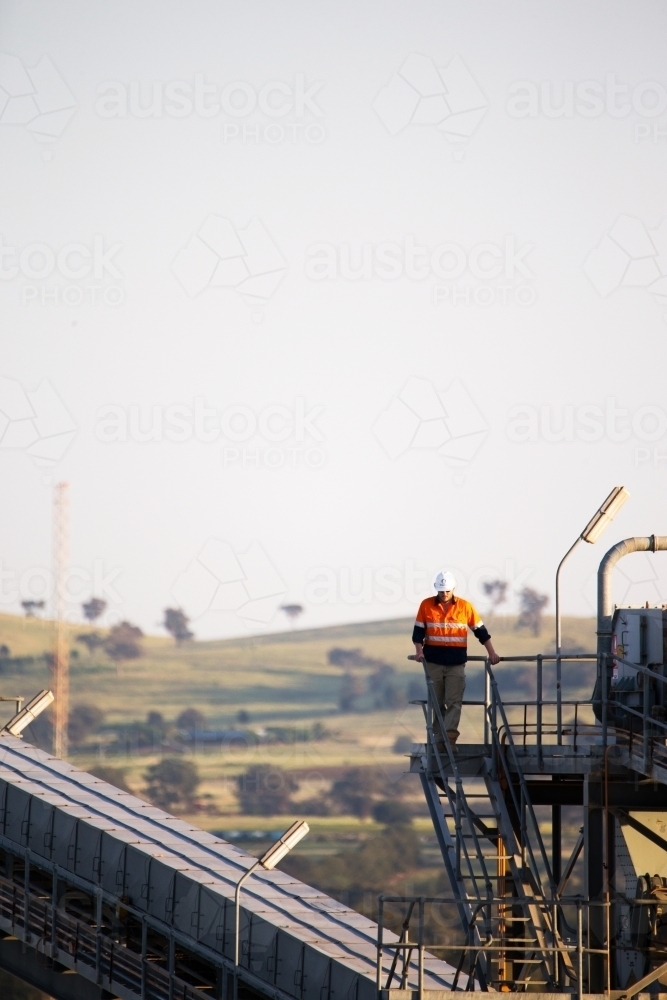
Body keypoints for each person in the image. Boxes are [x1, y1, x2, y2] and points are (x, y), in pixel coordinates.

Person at [413, 570, 500, 747]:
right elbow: (418, 633)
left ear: (453, 589)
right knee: (436, 702)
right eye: (441, 591)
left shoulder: (465, 607)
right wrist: (419, 651)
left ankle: (449, 738)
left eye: (447, 591)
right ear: (436, 590)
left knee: (454, 701)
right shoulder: (426, 605)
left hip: (456, 663)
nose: (444, 594)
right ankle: (438, 739)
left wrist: (492, 652)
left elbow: (481, 632)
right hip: (433, 662)